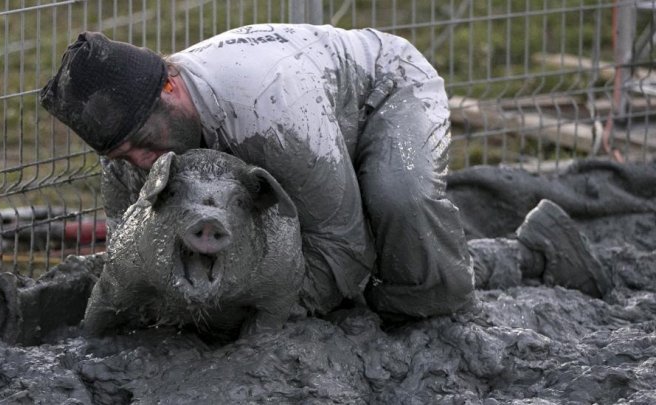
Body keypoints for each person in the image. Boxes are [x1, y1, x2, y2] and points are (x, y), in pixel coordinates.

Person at [39, 25, 611, 320]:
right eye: (121, 156)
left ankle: (523, 260)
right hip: (310, 146)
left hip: (382, 92)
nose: (142, 164)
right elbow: (130, 246)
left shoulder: (265, 107)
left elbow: (342, 250)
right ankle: (523, 250)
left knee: (397, 208)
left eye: (144, 143)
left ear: (170, 84)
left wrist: (232, 307)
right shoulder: (131, 144)